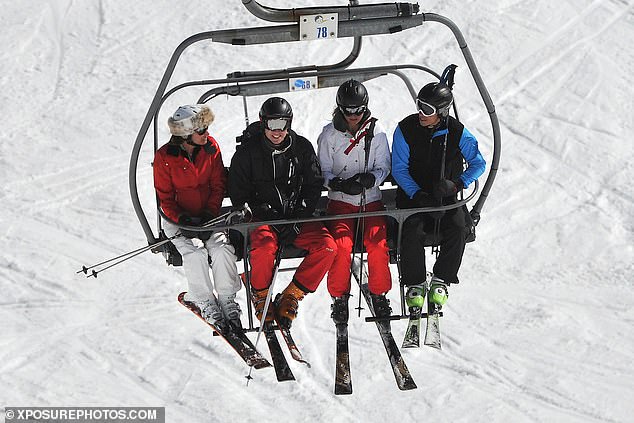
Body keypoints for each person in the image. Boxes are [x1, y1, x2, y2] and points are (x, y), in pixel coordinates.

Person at [228, 97, 336, 329]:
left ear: (289, 124)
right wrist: (259, 210)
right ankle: (260, 294)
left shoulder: (302, 148)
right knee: (265, 247)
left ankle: (292, 294)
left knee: (327, 247)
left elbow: (313, 185)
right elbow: (238, 194)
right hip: (263, 219)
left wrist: (300, 216)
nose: (277, 131)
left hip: (295, 217)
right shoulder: (247, 153)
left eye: (282, 124)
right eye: (272, 124)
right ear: (263, 123)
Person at [392, 82, 486, 309]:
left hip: (446, 198)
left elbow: (478, 163)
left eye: (427, 109)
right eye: (419, 106)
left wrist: (457, 183)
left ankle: (442, 278)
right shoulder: (405, 129)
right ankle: (415, 282)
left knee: (459, 227)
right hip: (414, 198)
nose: (421, 114)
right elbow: (399, 169)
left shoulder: (457, 132)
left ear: (442, 112)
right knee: (410, 229)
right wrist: (417, 194)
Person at [153, 104, 243, 330]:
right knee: (194, 253)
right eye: (202, 131)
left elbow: (218, 185)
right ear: (185, 134)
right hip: (178, 221)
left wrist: (208, 213)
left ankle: (227, 300)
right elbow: (165, 197)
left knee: (221, 248)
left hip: (208, 217)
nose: (207, 135)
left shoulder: (211, 148)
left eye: (207, 129)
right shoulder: (164, 158)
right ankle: (204, 301)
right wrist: (182, 220)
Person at [317, 79, 393, 322]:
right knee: (341, 246)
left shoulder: (376, 133)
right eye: (348, 110)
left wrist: (372, 178)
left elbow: (384, 166)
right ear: (340, 108)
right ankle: (339, 297)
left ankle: (379, 294)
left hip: (369, 202)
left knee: (378, 244)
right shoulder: (329, 135)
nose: (353, 116)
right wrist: (337, 184)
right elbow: (323, 171)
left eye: (358, 110)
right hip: (341, 203)